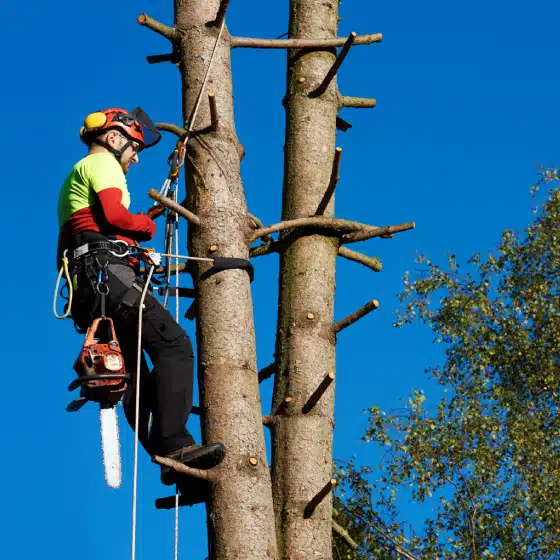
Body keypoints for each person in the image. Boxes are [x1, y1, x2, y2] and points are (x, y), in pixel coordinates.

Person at [57, 107, 225, 485]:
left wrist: (129, 240)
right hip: (110, 280)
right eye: (134, 147)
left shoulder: (73, 183)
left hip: (89, 288)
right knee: (173, 345)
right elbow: (116, 216)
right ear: (113, 139)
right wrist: (145, 226)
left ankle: (170, 461)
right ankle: (176, 445)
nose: (136, 156)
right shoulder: (102, 165)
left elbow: (77, 239)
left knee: (134, 375)